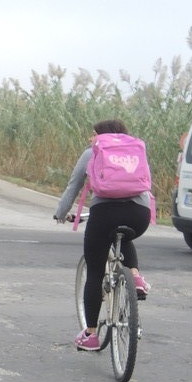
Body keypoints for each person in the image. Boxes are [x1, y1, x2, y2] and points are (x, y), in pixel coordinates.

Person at [54, 119, 153, 352]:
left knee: (96, 272)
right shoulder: (135, 149)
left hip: (104, 215)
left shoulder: (93, 152)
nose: (90, 139)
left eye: (93, 134)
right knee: (125, 235)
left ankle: (90, 335)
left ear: (101, 135)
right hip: (139, 215)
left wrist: (60, 214)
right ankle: (136, 277)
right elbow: (145, 185)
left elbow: (74, 185)